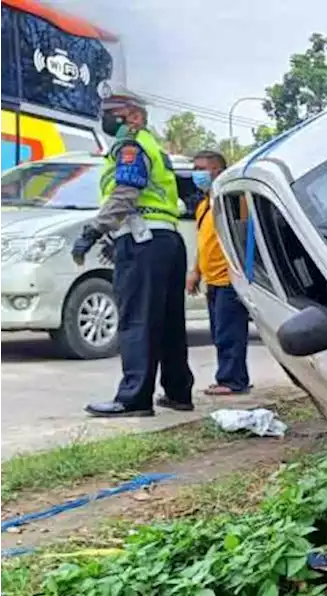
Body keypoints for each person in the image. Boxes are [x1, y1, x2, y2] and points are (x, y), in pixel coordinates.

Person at [72, 91, 194, 417]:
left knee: (137, 318)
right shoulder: (155, 148)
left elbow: (126, 193)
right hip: (166, 238)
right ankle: (178, 392)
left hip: (144, 241)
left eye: (113, 113)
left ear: (135, 117)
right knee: (168, 321)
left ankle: (133, 398)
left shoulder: (131, 146)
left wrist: (94, 231)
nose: (107, 119)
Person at [186, 150, 251, 395]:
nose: (198, 174)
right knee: (219, 332)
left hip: (229, 278)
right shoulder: (205, 205)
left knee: (229, 333)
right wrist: (195, 272)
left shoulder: (231, 200)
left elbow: (242, 235)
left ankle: (233, 381)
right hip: (212, 279)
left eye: (203, 168)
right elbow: (205, 242)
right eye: (195, 168)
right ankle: (230, 377)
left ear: (219, 171)